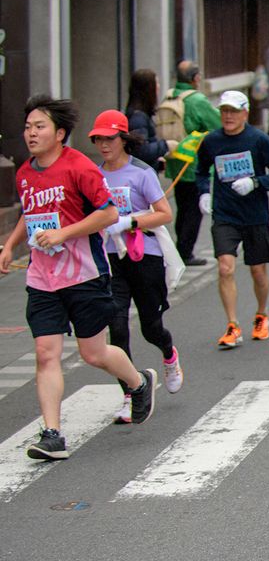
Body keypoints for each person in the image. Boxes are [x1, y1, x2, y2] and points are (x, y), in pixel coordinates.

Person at [0, 96, 157, 460]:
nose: (31, 133)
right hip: (43, 277)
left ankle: (138, 381)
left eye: (39, 127)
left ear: (60, 133)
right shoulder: (25, 172)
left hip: (84, 274)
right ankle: (52, 434)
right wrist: (9, 245)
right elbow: (30, 212)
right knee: (45, 353)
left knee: (93, 352)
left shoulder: (80, 168)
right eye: (27, 127)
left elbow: (108, 214)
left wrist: (64, 234)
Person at [91, 110, 183, 422]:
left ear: (124, 139)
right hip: (109, 259)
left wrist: (130, 221)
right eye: (98, 139)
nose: (104, 145)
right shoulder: (93, 174)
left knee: (150, 326)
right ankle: (132, 393)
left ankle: (168, 353)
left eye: (110, 138)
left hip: (145, 256)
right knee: (116, 326)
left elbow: (164, 213)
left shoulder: (141, 172)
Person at [195, 91, 269, 348]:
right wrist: (204, 192)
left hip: (254, 214)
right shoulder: (212, 141)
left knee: (258, 271)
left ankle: (261, 314)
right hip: (225, 214)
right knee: (225, 267)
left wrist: (255, 182)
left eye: (234, 111)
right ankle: (232, 325)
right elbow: (201, 170)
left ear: (245, 113)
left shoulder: (259, 140)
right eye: (224, 111)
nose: (228, 116)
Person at [163, 62, 223, 266]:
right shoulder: (197, 100)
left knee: (182, 206)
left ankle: (181, 248)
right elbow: (217, 123)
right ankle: (185, 252)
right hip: (193, 162)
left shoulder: (170, 95)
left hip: (174, 158)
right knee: (193, 209)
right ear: (195, 78)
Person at [124, 68, 175, 169]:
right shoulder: (138, 118)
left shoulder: (139, 114)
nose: (158, 87)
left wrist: (156, 161)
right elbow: (141, 151)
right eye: (156, 83)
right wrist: (165, 145)